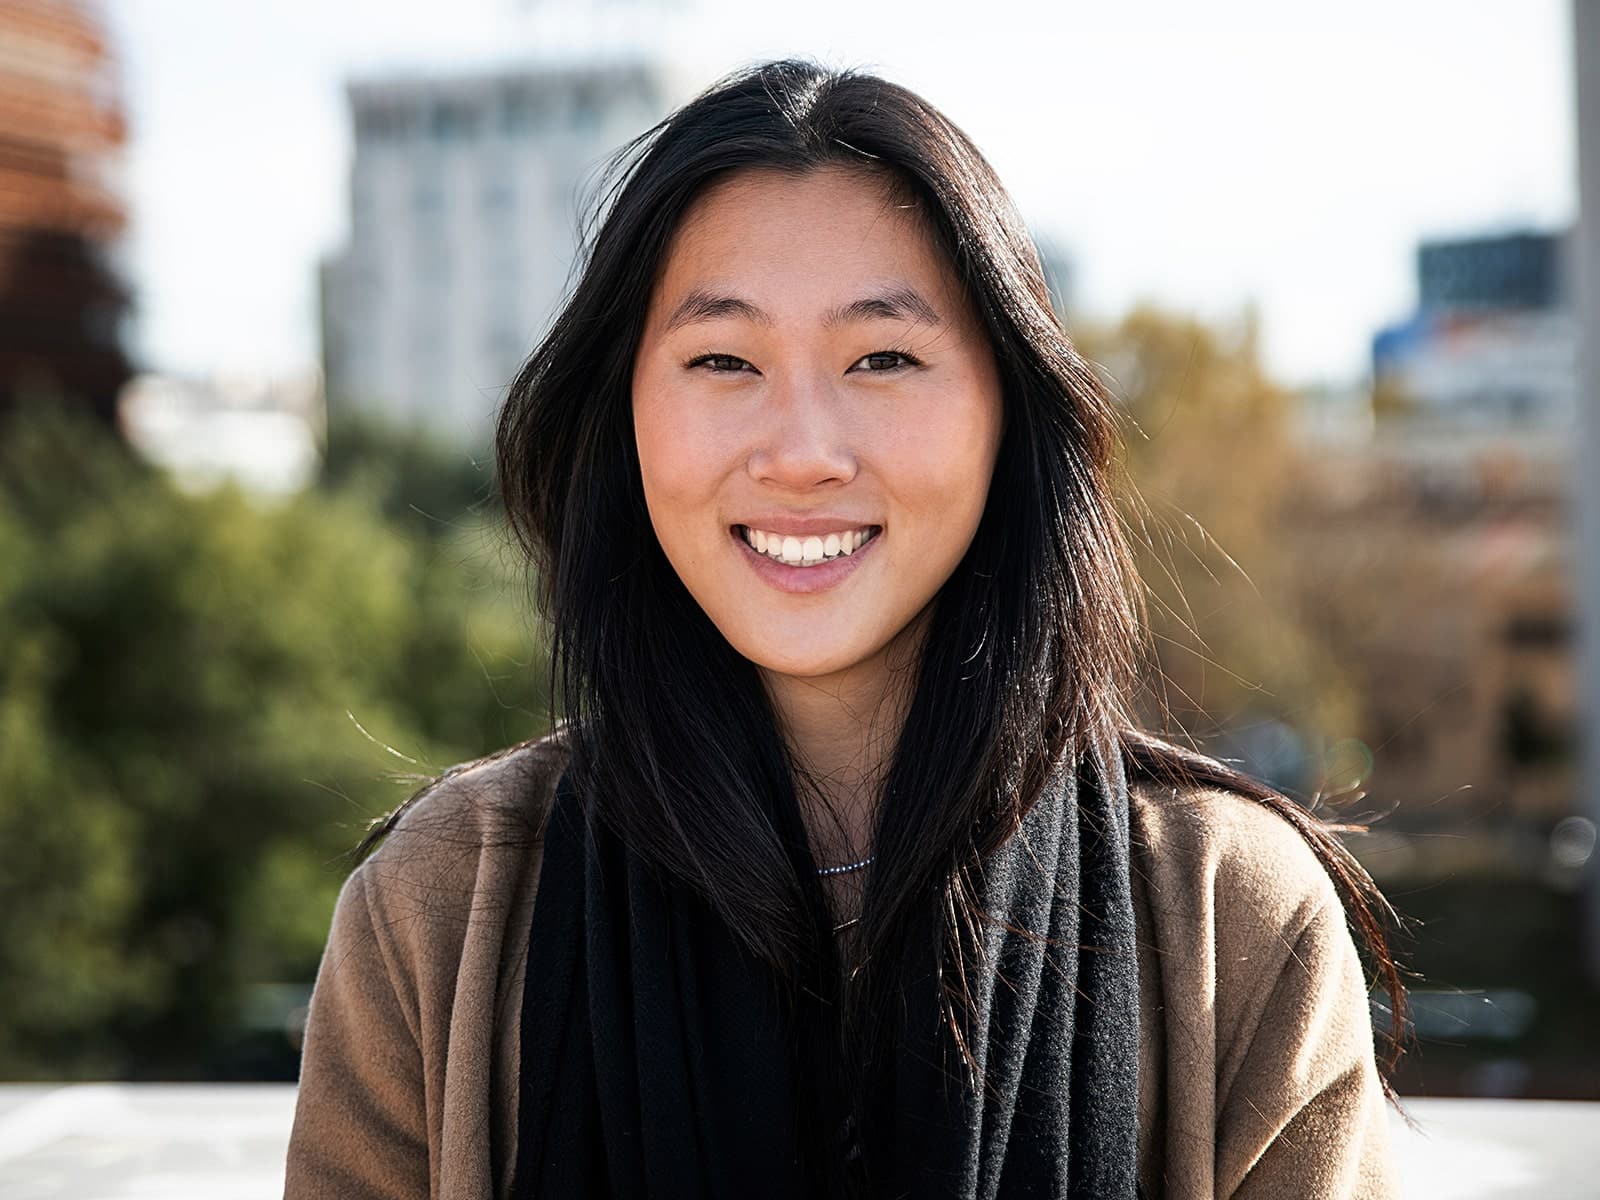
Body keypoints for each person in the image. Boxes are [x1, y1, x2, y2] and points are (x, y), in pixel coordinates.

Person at [283, 59, 1404, 1199]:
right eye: (722, 359)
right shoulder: (446, 911)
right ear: (622, 416)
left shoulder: (1227, 916)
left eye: (884, 359)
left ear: (1006, 414)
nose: (804, 450)